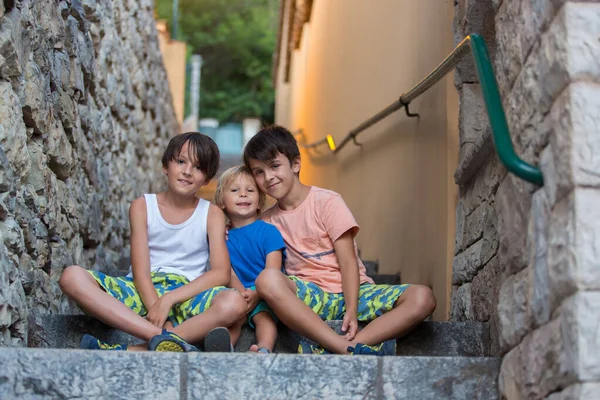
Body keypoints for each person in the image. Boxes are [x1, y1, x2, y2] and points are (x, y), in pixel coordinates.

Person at [243, 125, 437, 355]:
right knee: (267, 280)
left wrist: (352, 309)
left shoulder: (327, 202)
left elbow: (348, 262)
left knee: (423, 297)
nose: (268, 177)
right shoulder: (264, 223)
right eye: (259, 172)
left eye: (275, 166)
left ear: (295, 164)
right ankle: (342, 348)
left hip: (353, 292)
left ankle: (351, 345)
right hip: (309, 297)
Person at [59, 132, 246, 352]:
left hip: (189, 293)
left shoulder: (211, 213)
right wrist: (156, 309)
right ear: (166, 165)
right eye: (181, 161)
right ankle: (165, 339)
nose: (187, 171)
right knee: (71, 276)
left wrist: (169, 299)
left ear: (206, 179)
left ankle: (133, 350)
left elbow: (221, 273)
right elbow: (140, 272)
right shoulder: (142, 206)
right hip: (141, 289)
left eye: (198, 167)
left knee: (235, 303)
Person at [214, 165, 285, 354]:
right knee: (233, 319)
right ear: (221, 201)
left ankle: (264, 348)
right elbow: (224, 270)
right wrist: (242, 294)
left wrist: (256, 294)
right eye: (235, 190)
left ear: (260, 201)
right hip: (234, 292)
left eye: (250, 190)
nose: (243, 195)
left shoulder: (268, 231)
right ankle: (223, 348)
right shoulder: (221, 236)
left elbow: (273, 270)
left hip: (265, 292)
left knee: (264, 317)